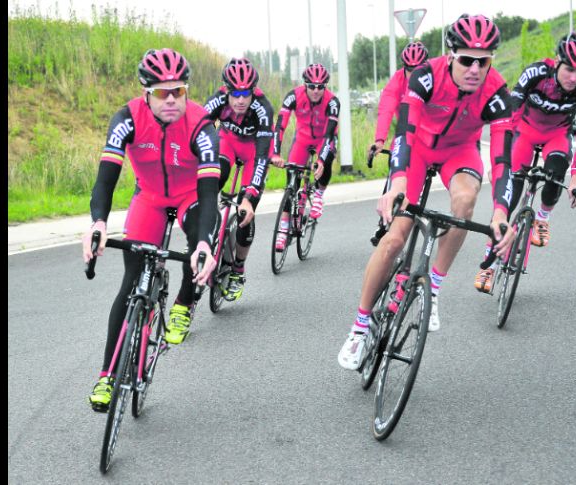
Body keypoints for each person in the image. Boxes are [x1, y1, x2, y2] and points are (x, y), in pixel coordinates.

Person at [338, 14, 516, 370]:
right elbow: (404, 130)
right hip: (416, 151)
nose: (475, 69)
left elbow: (502, 160)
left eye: (484, 61)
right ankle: (359, 329)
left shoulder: (496, 93)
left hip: (459, 152)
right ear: (450, 56)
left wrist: (501, 212)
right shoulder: (425, 76)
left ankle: (432, 288)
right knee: (394, 239)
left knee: (465, 202)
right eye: (467, 59)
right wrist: (399, 182)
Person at [82, 48, 219, 411]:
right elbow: (106, 179)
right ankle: (107, 376)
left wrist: (204, 242)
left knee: (199, 245)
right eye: (162, 92)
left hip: (191, 196)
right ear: (146, 92)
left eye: (179, 91)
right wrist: (98, 223)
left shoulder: (202, 125)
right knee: (130, 282)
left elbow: (209, 194)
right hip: (150, 198)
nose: (171, 99)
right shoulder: (126, 118)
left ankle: (183, 305)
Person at [473, 32, 576, 292]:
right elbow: (508, 116)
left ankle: (542, 217)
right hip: (524, 132)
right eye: (570, 69)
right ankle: (489, 266)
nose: (574, 78)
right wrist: (501, 163)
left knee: (555, 174)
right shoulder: (536, 73)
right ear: (557, 61)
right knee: (508, 198)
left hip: (556, 136)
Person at [200, 58, 275, 299]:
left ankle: (238, 268)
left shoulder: (263, 108)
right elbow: (197, 131)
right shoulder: (217, 100)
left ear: (253, 91)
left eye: (246, 93)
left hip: (254, 153)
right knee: (212, 178)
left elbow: (263, 156)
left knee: (245, 214)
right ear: (226, 90)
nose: (241, 100)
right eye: (235, 93)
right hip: (227, 144)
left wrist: (250, 196)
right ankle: (203, 232)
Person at [270, 63, 339, 251]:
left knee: (327, 158)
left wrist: (321, 161)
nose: (316, 91)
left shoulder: (333, 102)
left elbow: (329, 136)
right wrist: (275, 153)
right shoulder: (293, 96)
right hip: (302, 140)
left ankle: (318, 194)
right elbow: (280, 126)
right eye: (312, 86)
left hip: (324, 139)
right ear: (305, 85)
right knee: (291, 181)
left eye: (320, 87)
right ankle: (284, 227)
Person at [371, 41, 429, 158]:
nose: (414, 75)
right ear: (404, 67)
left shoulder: (434, 78)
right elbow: (386, 111)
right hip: (406, 131)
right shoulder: (397, 81)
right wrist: (380, 140)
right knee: (395, 160)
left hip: (430, 133)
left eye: (418, 70)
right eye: (410, 70)